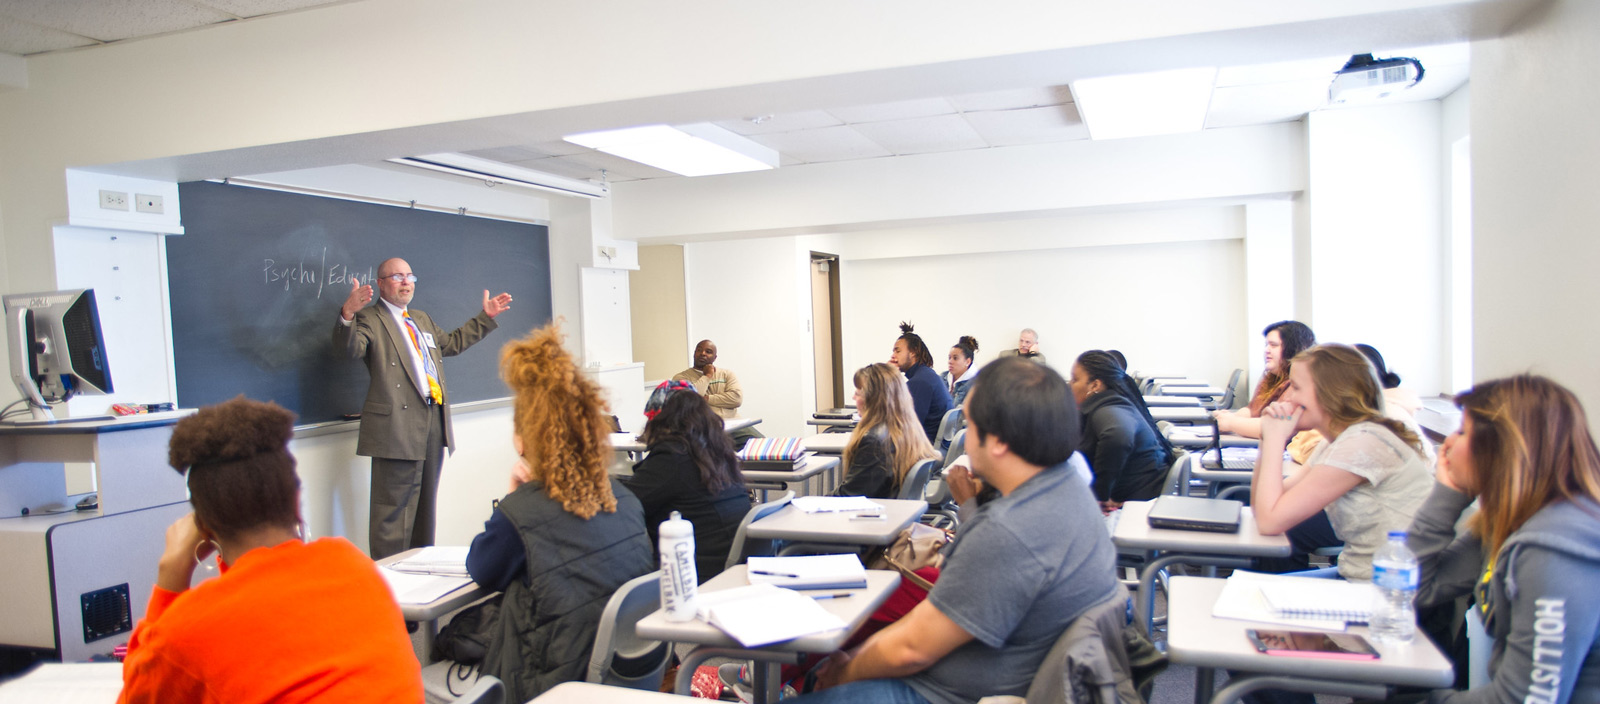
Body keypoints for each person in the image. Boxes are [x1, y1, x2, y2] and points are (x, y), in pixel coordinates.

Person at [791, 357, 1120, 704]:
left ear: (998, 442)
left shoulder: (1008, 531)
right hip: (1005, 672)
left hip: (944, 692)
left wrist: (843, 673)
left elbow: (911, 650)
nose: (964, 440)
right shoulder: (1069, 488)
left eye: (971, 425)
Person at [118, 397, 421, 703]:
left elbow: (137, 696)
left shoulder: (192, 627)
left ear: (204, 528)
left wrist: (171, 574)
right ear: (295, 500)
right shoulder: (355, 566)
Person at [464, 324, 655, 703]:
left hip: (548, 684)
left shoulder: (521, 514)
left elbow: (481, 569)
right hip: (624, 677)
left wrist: (512, 499)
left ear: (524, 437)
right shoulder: (624, 499)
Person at [1409, 375, 1600, 704]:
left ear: (1501, 449)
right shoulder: (1513, 522)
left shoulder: (1553, 549)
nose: (1448, 444)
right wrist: (1448, 495)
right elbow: (1414, 588)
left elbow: (1526, 700)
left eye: (1463, 431)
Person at [333, 257, 514, 559]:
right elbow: (349, 349)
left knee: (424, 509)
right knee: (392, 516)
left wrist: (486, 317)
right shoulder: (370, 319)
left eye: (409, 277)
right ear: (380, 284)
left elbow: (452, 343)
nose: (406, 282)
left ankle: (420, 572)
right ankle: (392, 585)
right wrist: (348, 313)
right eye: (397, 277)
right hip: (396, 428)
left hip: (433, 422)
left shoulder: (421, 319)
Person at [1251, 344, 1434, 580]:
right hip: (1363, 577)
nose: (1288, 397)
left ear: (1330, 393)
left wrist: (1276, 439)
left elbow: (1270, 522)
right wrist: (1267, 439)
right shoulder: (1339, 440)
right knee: (1256, 589)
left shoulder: (1364, 442)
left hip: (1392, 592)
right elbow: (1264, 506)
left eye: (1296, 387)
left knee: (1257, 591)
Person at [626, 386, 752, 582]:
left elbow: (624, 506)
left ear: (658, 419)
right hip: (730, 565)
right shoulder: (717, 452)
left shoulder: (671, 459)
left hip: (695, 575)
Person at [1070, 350, 1177, 513]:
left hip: (1139, 507)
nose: (1070, 385)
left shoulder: (1108, 410)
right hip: (1137, 498)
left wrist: (1099, 495)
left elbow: (1117, 437)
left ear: (1095, 385)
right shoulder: (1110, 403)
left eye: (1075, 379)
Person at [836, 363, 940, 499]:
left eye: (857, 393)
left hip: (873, 515)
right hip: (897, 512)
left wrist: (812, 502)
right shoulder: (907, 429)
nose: (853, 398)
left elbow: (849, 496)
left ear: (873, 399)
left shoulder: (874, 441)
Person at [1214, 320, 1315, 440]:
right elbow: (1252, 410)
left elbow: (1274, 427)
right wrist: (1229, 417)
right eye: (1266, 345)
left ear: (1293, 349)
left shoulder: (1299, 384)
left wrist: (1231, 423)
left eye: (1274, 345)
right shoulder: (1272, 377)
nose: (1266, 350)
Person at [672, 339, 762, 447]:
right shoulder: (681, 378)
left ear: (715, 357)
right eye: (699, 350)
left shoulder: (726, 374)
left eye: (708, 351)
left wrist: (707, 399)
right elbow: (692, 400)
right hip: (706, 428)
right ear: (694, 354)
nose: (703, 353)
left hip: (734, 424)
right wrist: (707, 376)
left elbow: (736, 399)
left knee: (761, 445)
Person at [889, 322, 953, 442]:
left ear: (913, 352)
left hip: (924, 450)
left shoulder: (919, 382)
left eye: (898, 351)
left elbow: (905, 428)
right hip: (933, 447)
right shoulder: (927, 375)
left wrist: (887, 377)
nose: (893, 356)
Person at [942, 336, 979, 408]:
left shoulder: (973, 385)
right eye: (949, 358)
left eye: (955, 358)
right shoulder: (943, 377)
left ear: (967, 361)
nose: (950, 361)